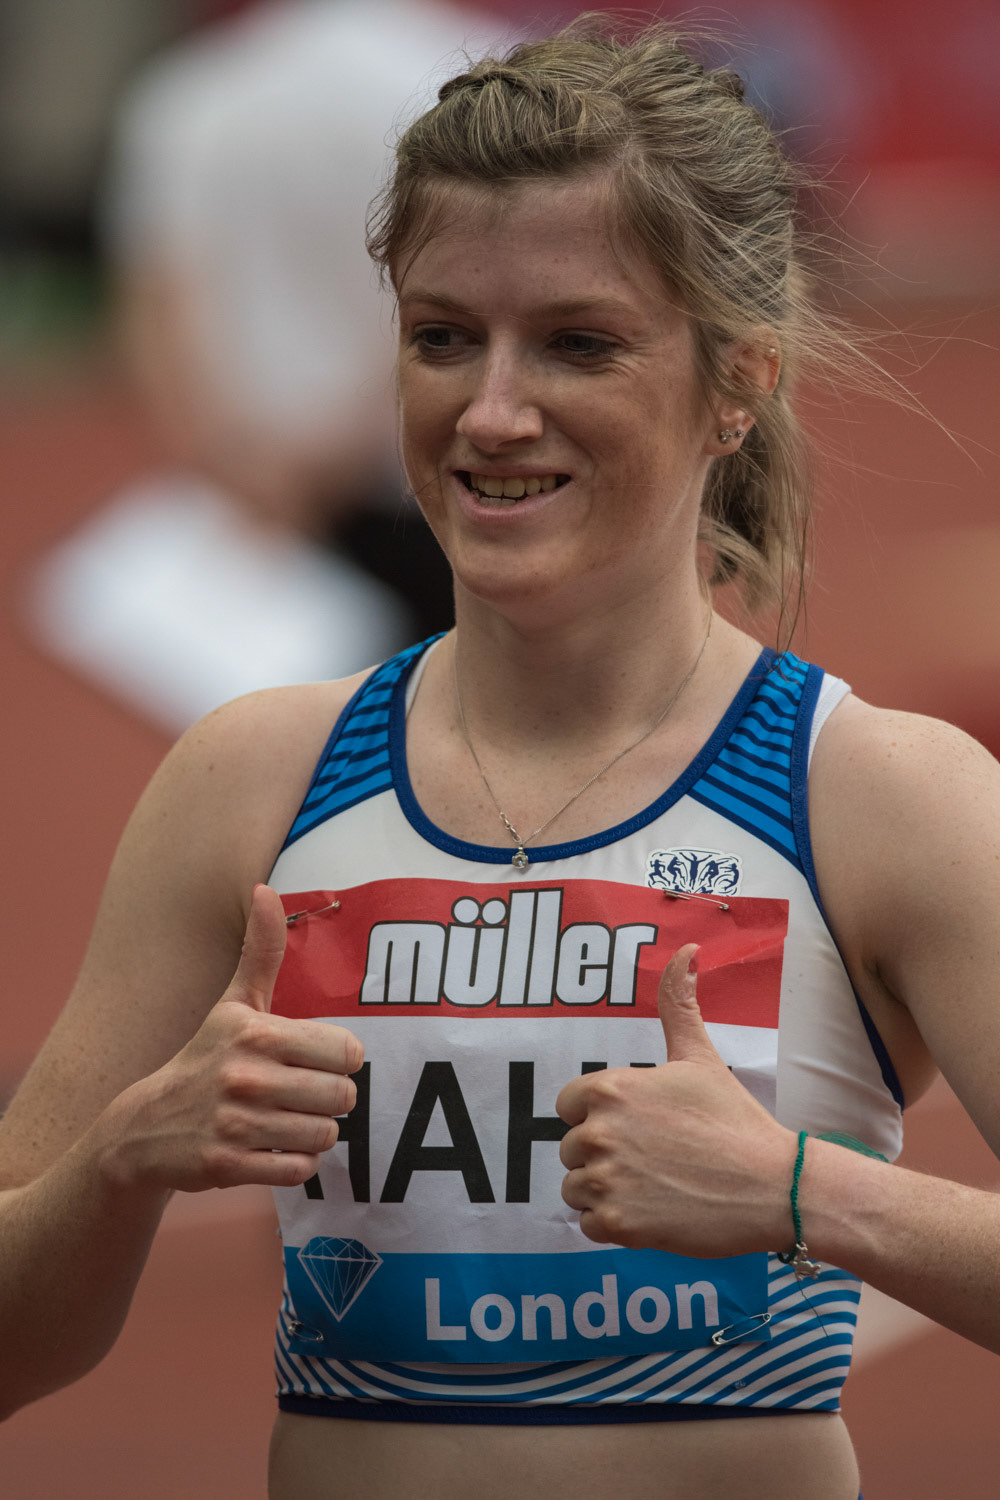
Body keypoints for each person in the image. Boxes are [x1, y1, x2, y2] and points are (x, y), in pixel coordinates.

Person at [1, 16, 999, 1500]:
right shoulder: (255, 778)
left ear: (738, 383)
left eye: (579, 342)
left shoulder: (877, 796)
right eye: (442, 335)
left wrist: (799, 1193)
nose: (492, 410)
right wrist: (124, 1156)